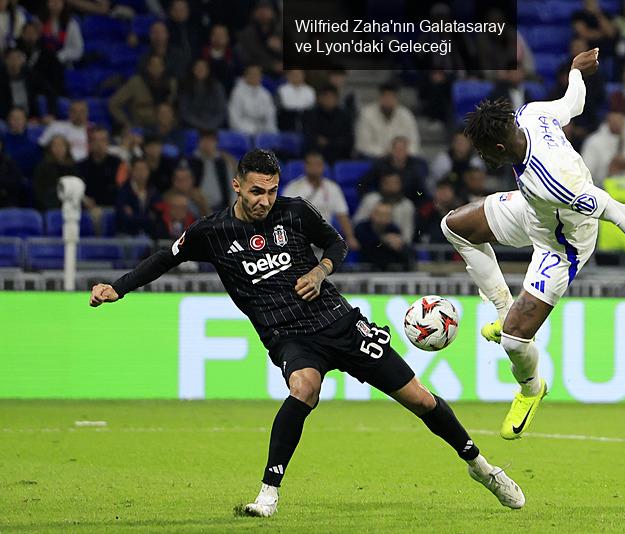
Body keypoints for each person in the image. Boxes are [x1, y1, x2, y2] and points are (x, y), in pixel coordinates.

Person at [89, 149, 526, 518]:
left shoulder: (294, 212)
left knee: (420, 399)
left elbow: (338, 244)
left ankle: (482, 467)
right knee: (304, 387)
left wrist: (320, 270)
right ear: (238, 186)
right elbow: (164, 259)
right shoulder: (212, 232)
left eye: (272, 190)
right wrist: (118, 288)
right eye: (257, 191)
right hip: (287, 334)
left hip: (338, 321)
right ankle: (268, 493)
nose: (265, 200)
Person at [440, 49, 625, 441]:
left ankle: (531, 389)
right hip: (532, 213)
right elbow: (572, 104)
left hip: (562, 246)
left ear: (498, 149)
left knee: (515, 341)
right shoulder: (530, 114)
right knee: (454, 226)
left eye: (484, 154)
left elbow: (618, 212)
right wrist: (576, 72)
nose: (482, 160)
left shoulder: (558, 182)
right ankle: (503, 308)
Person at [281, 151, 359, 250]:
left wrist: (350, 237)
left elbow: (342, 215)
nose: (314, 167)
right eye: (311, 164)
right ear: (305, 166)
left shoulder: (332, 188)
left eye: (318, 164)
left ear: (323, 166)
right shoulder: (293, 188)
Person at [109, 54, 177, 130]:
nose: (156, 68)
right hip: (142, 126)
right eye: (153, 65)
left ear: (164, 67)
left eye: (159, 65)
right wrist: (126, 123)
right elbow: (113, 103)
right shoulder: (136, 82)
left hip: (166, 128)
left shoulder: (171, 83)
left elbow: (176, 106)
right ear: (148, 67)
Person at [355, 82, 420, 158]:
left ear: (396, 98)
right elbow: (363, 145)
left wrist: (400, 153)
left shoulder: (406, 115)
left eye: (391, 97)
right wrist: (386, 153)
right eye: (385, 96)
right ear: (380, 97)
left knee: (420, 163)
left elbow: (414, 142)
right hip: (375, 157)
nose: (388, 100)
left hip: (401, 158)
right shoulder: (367, 114)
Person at [301, 83, 354, 164]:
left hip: (339, 154)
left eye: (332, 97)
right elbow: (310, 136)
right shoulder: (310, 115)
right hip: (317, 154)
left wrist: (329, 142)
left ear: (337, 99)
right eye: (326, 97)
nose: (329, 100)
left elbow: (348, 139)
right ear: (320, 98)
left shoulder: (345, 116)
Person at [355, 200, 412, 270]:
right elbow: (366, 245)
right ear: (372, 214)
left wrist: (399, 245)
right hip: (365, 266)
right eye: (379, 214)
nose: (382, 218)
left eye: (386, 215)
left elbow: (398, 248)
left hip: (389, 267)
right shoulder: (361, 227)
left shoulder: (394, 229)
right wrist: (383, 240)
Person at [178, 57, 227, 131]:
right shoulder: (185, 87)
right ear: (193, 70)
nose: (200, 70)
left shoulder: (217, 86)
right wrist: (201, 126)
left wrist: (211, 126)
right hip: (191, 126)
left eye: (203, 68)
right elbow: (185, 112)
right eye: (198, 67)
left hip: (214, 127)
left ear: (208, 70)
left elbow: (222, 111)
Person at [228, 64, 277, 135]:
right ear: (246, 76)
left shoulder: (265, 94)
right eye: (252, 74)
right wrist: (250, 131)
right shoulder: (237, 93)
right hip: (243, 132)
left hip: (263, 132)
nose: (255, 76)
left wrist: (271, 134)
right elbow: (234, 119)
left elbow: (271, 117)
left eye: (258, 74)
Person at [33, 134, 76, 210]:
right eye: (55, 145)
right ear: (50, 148)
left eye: (61, 145)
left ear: (67, 148)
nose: (58, 148)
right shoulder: (43, 168)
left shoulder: (73, 167)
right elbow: (40, 193)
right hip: (50, 206)